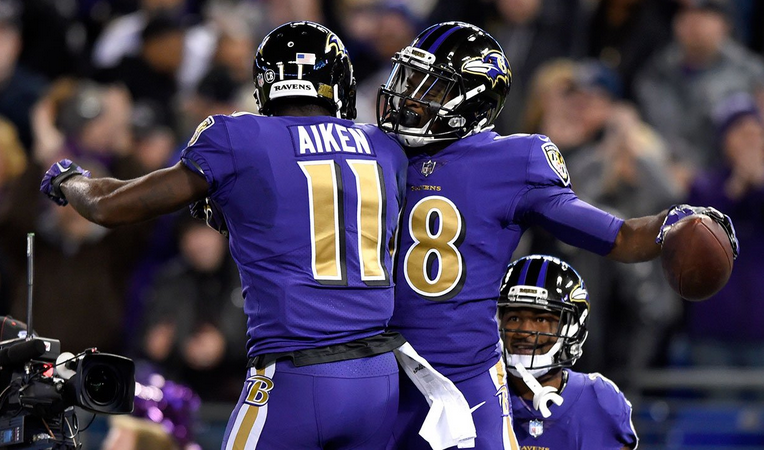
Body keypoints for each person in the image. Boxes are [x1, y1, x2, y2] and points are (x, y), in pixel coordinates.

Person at [40, 21, 409, 450]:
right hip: (379, 378)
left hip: (296, 375)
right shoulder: (385, 147)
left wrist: (70, 180)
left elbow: (109, 205)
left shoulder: (240, 138)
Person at [375, 21, 738, 449]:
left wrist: (672, 224)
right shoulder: (373, 149)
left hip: (461, 380)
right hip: (376, 369)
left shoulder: (511, 161)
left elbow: (618, 237)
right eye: (408, 78)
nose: (409, 97)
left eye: (429, 87)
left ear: (471, 100)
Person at [498, 254, 638, 449]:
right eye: (513, 318)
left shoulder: (598, 400)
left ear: (571, 328)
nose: (524, 331)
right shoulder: (479, 393)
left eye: (541, 319)